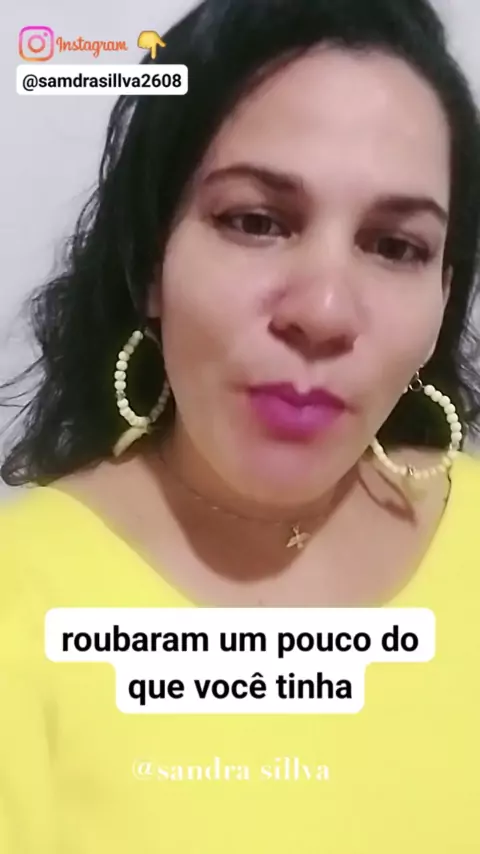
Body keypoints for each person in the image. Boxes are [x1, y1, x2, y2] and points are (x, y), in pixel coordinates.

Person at [1, 0, 480, 851]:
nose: (323, 311)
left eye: (396, 246)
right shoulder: (22, 600)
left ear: (445, 295)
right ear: (150, 262)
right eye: (255, 221)